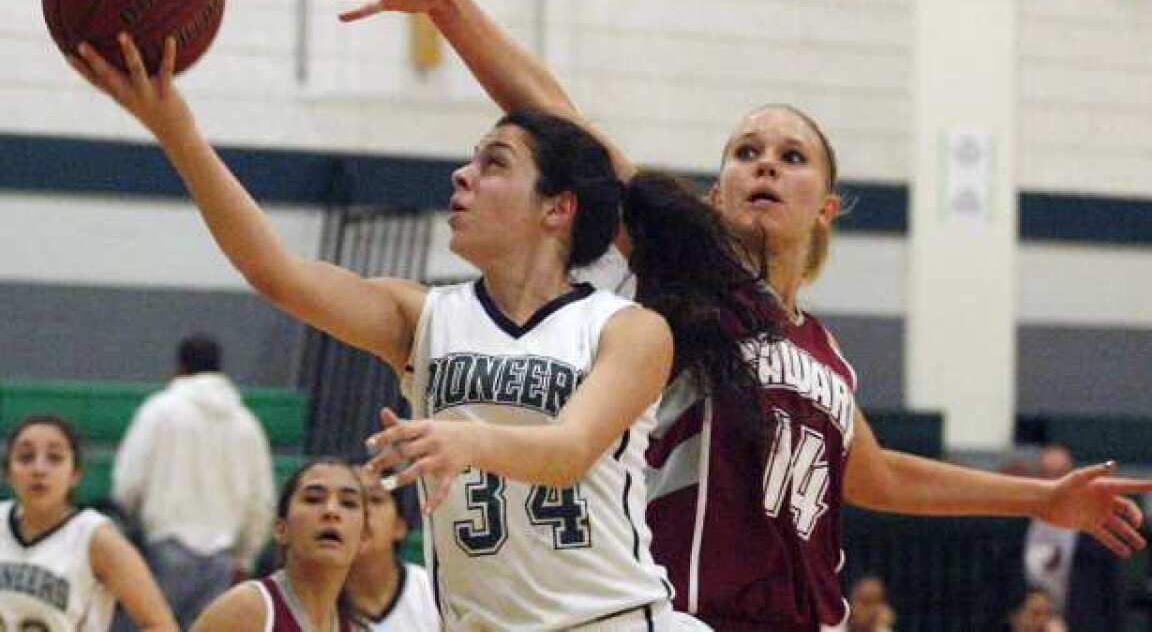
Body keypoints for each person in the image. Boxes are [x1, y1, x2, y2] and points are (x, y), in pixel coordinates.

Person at [333, 0, 1152, 631]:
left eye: (790, 156)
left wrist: (1038, 499)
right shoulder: (687, 276)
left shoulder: (825, 354)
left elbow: (877, 475)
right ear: (716, 189)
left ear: (826, 205)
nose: (764, 163)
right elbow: (562, 122)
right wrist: (446, 6)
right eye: (744, 152)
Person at [67, 34, 725, 630]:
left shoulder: (628, 328)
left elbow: (569, 448)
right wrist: (175, 128)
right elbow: (276, 273)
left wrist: (463, 437)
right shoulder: (424, 317)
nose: (462, 175)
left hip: (611, 621)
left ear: (557, 207)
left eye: (494, 163)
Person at [111, 333, 276, 629]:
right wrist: (245, 559)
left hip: (162, 551)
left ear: (179, 367)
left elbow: (128, 482)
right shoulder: (246, 424)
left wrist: (128, 534)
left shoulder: (159, 411)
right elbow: (261, 501)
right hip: (221, 561)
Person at [0, 414, 177, 631]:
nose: (39, 469)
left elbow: (161, 625)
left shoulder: (96, 539)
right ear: (8, 472)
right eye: (25, 457)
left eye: (54, 458)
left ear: (75, 474)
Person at [190, 458, 367, 632]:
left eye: (348, 503)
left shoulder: (355, 628)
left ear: (363, 539)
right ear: (281, 529)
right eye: (313, 499)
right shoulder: (248, 609)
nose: (331, 511)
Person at [1023, 444, 1121, 632]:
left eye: (1060, 474)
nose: (1054, 482)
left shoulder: (1096, 530)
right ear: (1036, 477)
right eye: (1046, 474)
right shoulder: (1015, 525)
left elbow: (1111, 596)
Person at [345, 473, 438, 631]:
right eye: (348, 502)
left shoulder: (430, 591)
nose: (362, 511)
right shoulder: (312, 596)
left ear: (400, 526)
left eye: (375, 499)